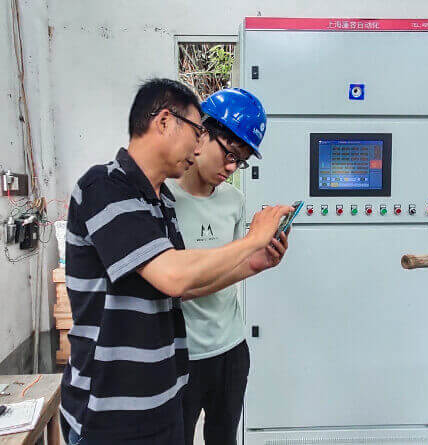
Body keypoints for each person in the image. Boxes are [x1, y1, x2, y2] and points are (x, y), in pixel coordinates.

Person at [59, 79, 292, 444]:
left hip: (161, 397)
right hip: (109, 412)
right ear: (165, 122)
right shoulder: (103, 187)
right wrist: (251, 241)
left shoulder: (160, 203)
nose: (197, 147)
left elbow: (178, 291)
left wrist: (254, 261)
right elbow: (173, 276)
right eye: (197, 132)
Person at [165, 88, 288, 445]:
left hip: (231, 350)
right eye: (230, 154)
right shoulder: (163, 199)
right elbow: (174, 288)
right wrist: (249, 252)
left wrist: (256, 264)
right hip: (181, 354)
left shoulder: (234, 200)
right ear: (201, 132)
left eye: (241, 161)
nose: (232, 168)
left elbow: (230, 269)